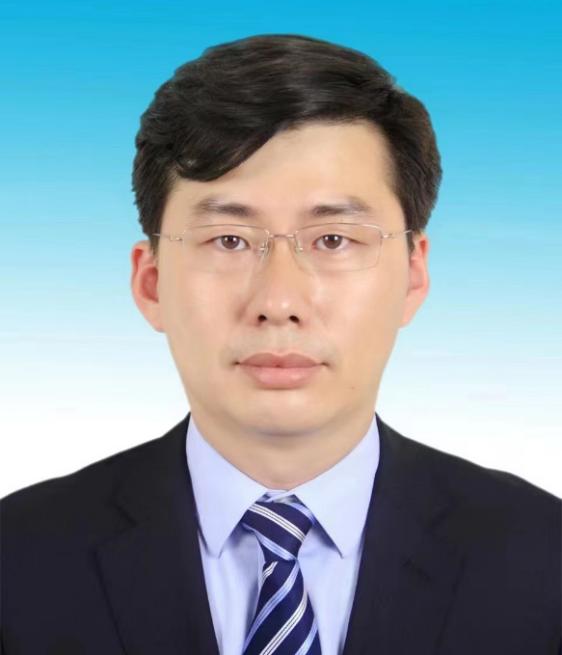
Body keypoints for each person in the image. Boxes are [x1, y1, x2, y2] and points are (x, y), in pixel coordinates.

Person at [1, 34, 559, 655]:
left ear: (413, 275)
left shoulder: (545, 559)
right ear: (151, 283)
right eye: (229, 241)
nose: (279, 300)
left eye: (333, 240)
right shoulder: (17, 561)